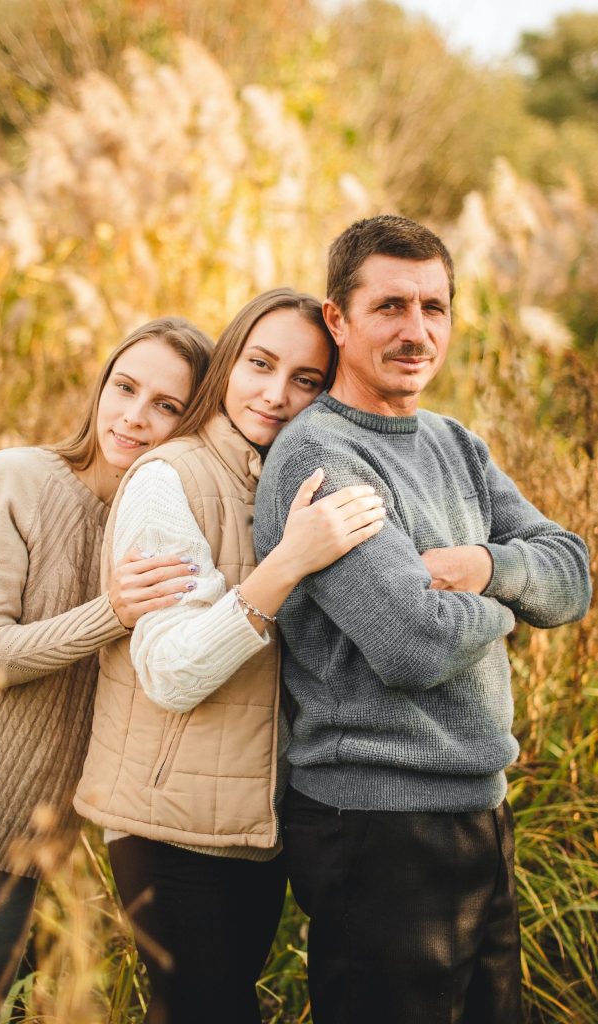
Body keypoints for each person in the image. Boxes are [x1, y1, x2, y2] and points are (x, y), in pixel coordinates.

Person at [253, 215, 593, 1024]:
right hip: (375, 826)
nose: (416, 332)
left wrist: (482, 568)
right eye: (390, 308)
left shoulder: (453, 443)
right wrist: (510, 607)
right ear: (337, 319)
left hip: (478, 810)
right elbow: (411, 643)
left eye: (432, 308)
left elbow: (573, 573)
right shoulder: (320, 455)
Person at [0, 317, 215, 1024]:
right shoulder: (17, 480)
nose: (133, 416)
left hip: (12, 840)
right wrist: (112, 611)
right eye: (124, 388)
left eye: (165, 406)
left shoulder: (160, 531)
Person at [75, 287, 387, 1024]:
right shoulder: (169, 478)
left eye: (305, 380)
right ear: (227, 362)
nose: (276, 396)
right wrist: (286, 563)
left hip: (254, 824)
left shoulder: (275, 480)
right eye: (259, 364)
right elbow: (172, 671)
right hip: (168, 826)